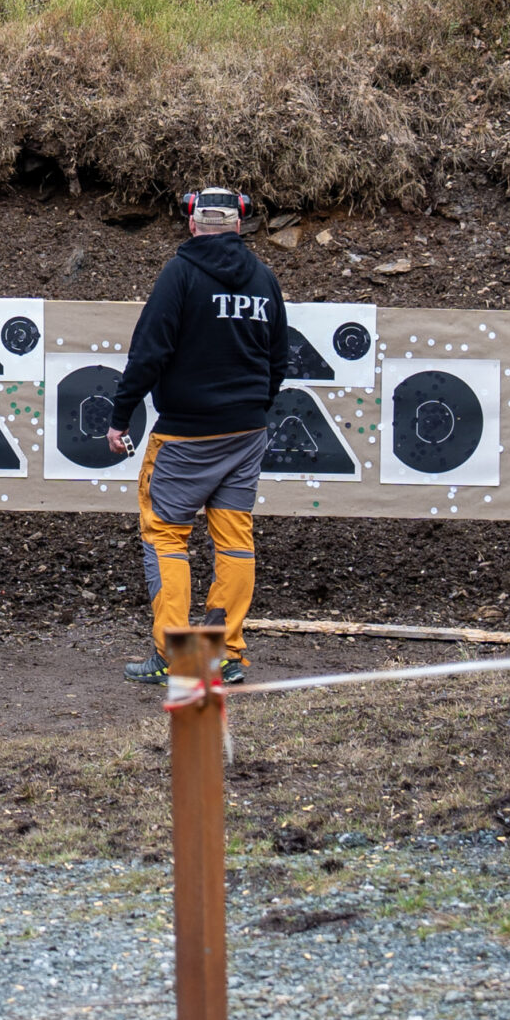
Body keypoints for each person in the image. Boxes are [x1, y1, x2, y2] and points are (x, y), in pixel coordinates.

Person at [108, 188, 290, 687]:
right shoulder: (263, 278)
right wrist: (254, 405)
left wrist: (120, 416)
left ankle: (174, 654)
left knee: (167, 535)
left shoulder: (180, 274)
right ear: (240, 223)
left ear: (192, 222)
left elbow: (148, 352)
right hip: (247, 431)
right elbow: (279, 359)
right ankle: (222, 653)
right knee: (234, 538)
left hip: (186, 434)